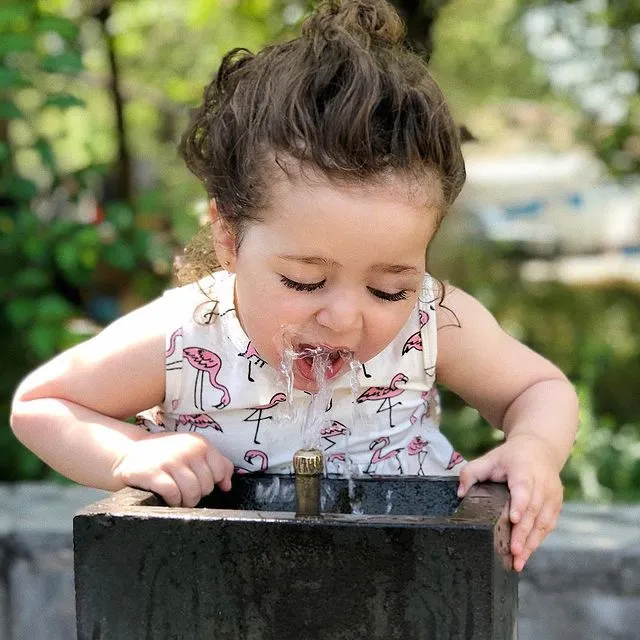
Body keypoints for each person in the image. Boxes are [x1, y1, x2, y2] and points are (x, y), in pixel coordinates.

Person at [10, 0, 578, 573]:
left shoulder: (433, 321)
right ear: (229, 238)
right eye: (303, 280)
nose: (344, 318)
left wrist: (534, 449)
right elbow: (42, 406)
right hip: (226, 593)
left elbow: (540, 389)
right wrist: (131, 452)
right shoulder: (188, 336)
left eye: (388, 288)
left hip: (401, 588)